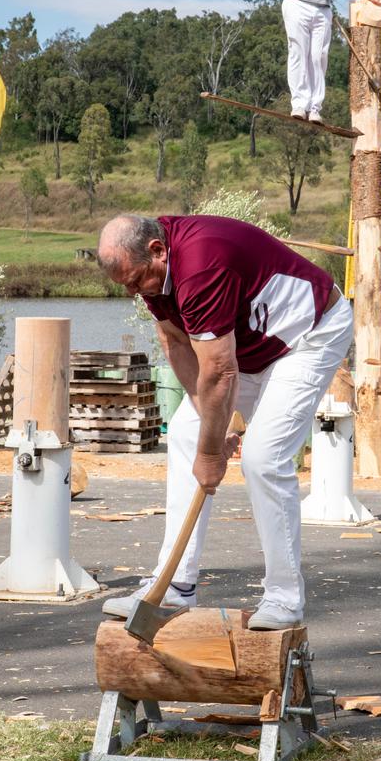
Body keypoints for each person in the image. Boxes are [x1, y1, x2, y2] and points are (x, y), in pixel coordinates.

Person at [98, 213, 353, 630]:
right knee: (184, 433)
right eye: (124, 285)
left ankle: (284, 598)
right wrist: (208, 423)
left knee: (262, 459)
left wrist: (213, 451)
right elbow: (175, 340)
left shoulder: (201, 263)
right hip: (247, 349)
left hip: (307, 337)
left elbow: (219, 370)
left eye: (136, 280)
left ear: (157, 250)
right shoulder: (152, 270)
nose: (133, 291)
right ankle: (176, 584)